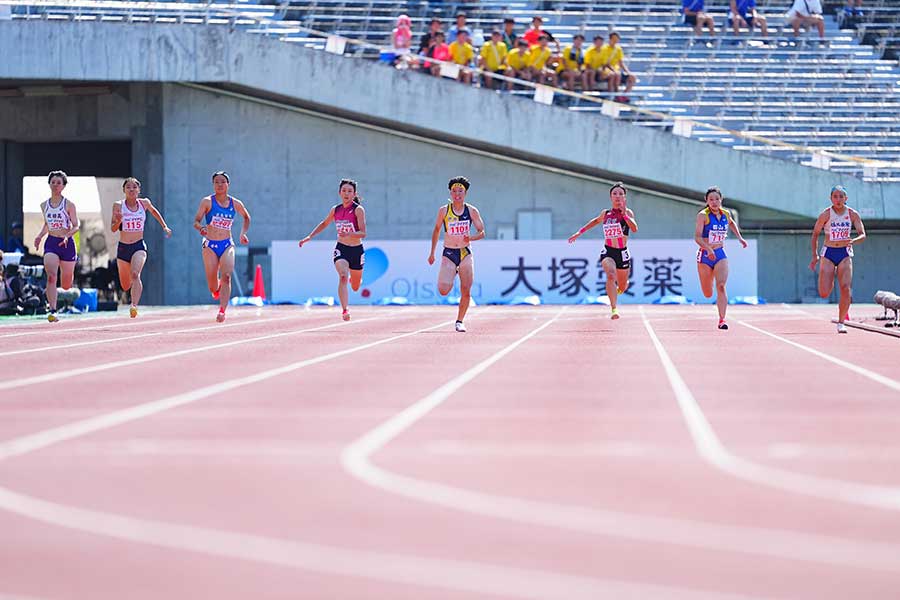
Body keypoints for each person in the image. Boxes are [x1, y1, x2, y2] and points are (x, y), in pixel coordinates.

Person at [298, 179, 367, 322]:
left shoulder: (358, 210)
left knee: (355, 286)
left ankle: (356, 279)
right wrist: (309, 236)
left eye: (349, 191)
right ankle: (345, 309)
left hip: (356, 250)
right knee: (342, 276)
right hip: (341, 249)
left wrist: (350, 234)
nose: (346, 194)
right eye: (344, 191)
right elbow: (324, 223)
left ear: (354, 194)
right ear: (339, 193)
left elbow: (363, 233)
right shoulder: (335, 210)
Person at [568, 182, 638, 320]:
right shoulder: (606, 213)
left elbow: (634, 228)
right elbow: (595, 221)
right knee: (611, 275)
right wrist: (579, 233)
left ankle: (621, 287)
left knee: (623, 286)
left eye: (620, 194)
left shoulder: (628, 212)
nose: (617, 196)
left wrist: (624, 216)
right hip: (608, 251)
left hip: (622, 253)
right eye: (614, 194)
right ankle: (614, 309)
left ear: (625, 197)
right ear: (610, 197)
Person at [428, 176, 485, 333]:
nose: (457, 194)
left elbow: (482, 232)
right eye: (454, 191)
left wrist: (471, 237)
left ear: (465, 193)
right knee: (443, 290)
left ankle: (460, 321)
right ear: (450, 193)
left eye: (460, 191)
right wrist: (432, 252)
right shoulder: (444, 211)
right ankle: (452, 272)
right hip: (449, 252)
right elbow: (436, 230)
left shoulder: (472, 211)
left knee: (466, 289)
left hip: (465, 252)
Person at [192, 171, 251, 323]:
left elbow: (246, 217)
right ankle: (216, 287)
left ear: (228, 185)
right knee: (213, 287)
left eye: (222, 182)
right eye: (216, 182)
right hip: (210, 245)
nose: (219, 184)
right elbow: (196, 221)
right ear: (213, 185)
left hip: (227, 244)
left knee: (226, 276)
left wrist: (243, 233)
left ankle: (222, 310)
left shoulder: (235, 203)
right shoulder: (207, 202)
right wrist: (201, 228)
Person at [110, 177, 172, 318]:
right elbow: (113, 228)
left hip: (138, 246)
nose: (131, 190)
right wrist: (119, 220)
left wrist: (165, 226)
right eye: (128, 187)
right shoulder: (118, 206)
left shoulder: (144, 203)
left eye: (134, 187)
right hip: (123, 248)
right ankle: (130, 295)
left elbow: (154, 212)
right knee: (125, 285)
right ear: (124, 190)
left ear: (139, 190)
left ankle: (134, 306)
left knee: (135, 274)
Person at [809, 185, 866, 333]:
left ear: (846, 198)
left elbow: (862, 234)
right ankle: (830, 279)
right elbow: (815, 234)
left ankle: (841, 322)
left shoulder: (853, 214)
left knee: (846, 289)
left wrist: (854, 240)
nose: (838, 199)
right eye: (835, 196)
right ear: (831, 198)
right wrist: (814, 254)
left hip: (845, 252)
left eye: (841, 196)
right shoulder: (825, 214)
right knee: (824, 293)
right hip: (828, 252)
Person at [693, 187, 748, 330]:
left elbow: (731, 223)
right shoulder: (702, 215)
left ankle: (722, 319)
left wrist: (740, 238)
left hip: (719, 253)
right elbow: (697, 237)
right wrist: (708, 248)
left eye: (717, 199)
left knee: (721, 286)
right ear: (707, 201)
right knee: (707, 293)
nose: (714, 202)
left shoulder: (726, 213)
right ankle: (708, 280)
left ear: (721, 200)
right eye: (711, 199)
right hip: (705, 255)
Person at [33, 170, 79, 322]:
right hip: (52, 243)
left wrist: (67, 235)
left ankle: (67, 278)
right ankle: (52, 310)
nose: (55, 185)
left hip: (67, 244)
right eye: (53, 182)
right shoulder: (44, 205)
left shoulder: (69, 204)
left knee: (66, 284)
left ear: (63, 186)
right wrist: (40, 236)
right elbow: (47, 224)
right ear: (49, 184)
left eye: (58, 182)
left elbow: (76, 225)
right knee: (51, 277)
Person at [598, 32, 636, 103]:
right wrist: (614, 70)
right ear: (610, 39)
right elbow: (606, 63)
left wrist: (628, 72)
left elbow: (621, 62)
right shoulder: (604, 48)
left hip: (616, 70)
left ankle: (624, 95)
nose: (615, 41)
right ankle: (615, 95)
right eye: (613, 39)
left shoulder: (618, 49)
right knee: (615, 74)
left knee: (632, 77)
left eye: (616, 39)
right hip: (607, 70)